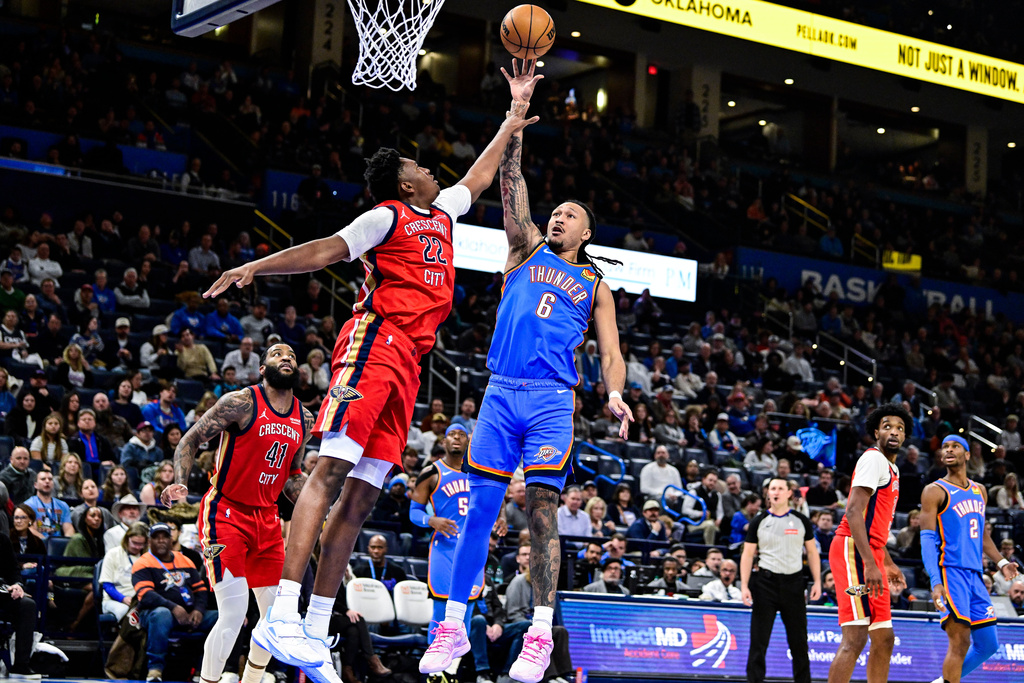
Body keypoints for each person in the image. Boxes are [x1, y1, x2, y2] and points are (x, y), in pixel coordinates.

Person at [206, 62, 539, 683]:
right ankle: (282, 610)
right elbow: (325, 252)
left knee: (360, 498)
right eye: (417, 166)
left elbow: (480, 175)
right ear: (403, 183)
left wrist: (513, 114)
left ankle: (314, 624)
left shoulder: (441, 215)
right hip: (374, 345)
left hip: (410, 362)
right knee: (330, 470)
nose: (429, 168)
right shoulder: (386, 214)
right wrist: (257, 267)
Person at [421, 61, 634, 683]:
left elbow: (611, 353)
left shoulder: (596, 284)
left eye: (572, 213)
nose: (560, 216)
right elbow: (510, 181)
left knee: (541, 510)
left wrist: (615, 394)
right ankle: (451, 626)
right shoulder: (525, 248)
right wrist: (517, 114)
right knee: (479, 512)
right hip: (499, 394)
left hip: (550, 399)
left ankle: (540, 633)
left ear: (588, 231)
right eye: (557, 210)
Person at [161, 343, 313, 683]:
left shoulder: (304, 417)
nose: (286, 358)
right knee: (233, 612)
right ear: (262, 368)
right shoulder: (241, 402)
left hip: (268, 520)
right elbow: (190, 440)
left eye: (291, 355)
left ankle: (251, 680)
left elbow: (292, 475)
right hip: (225, 513)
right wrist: (180, 482)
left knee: (275, 617)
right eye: (276, 354)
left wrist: (316, 499)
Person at [919, 435, 1020, 683]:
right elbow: (926, 539)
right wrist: (935, 581)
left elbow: (982, 535)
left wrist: (1002, 562)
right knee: (960, 640)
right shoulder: (934, 491)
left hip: (975, 575)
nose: (949, 450)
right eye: (945, 447)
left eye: (955, 446)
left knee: (988, 644)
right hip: (950, 571)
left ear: (967, 455)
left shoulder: (980, 491)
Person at [828, 404, 912, 683]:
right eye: (887, 426)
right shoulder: (873, 459)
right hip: (852, 549)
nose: (894, 432)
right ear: (876, 432)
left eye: (900, 428)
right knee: (856, 637)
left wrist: (886, 562)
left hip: (872, 551)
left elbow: (874, 524)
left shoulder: (893, 468)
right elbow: (853, 513)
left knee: (885, 638)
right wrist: (870, 563)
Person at [410, 423, 497, 648]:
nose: (457, 438)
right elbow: (413, 512)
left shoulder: (480, 471)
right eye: (451, 435)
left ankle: (454, 669)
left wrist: (502, 518)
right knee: (441, 608)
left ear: (468, 441)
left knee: (466, 610)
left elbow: (498, 499)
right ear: (444, 442)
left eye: (461, 435)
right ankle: (434, 672)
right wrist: (431, 520)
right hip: (444, 548)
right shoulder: (431, 472)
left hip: (472, 548)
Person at [740, 477, 821, 683]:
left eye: (780, 488)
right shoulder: (759, 521)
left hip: (794, 584)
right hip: (765, 584)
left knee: (799, 643)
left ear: (788, 494)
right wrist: (744, 585)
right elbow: (748, 555)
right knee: (758, 641)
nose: (775, 492)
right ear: (768, 493)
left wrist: (817, 582)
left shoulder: (801, 520)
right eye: (772, 488)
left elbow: (812, 553)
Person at [133, 522, 219, 682]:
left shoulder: (185, 560)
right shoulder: (143, 562)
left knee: (221, 618)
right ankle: (155, 670)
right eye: (156, 537)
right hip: (154, 613)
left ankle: (204, 671)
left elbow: (200, 590)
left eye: (164, 537)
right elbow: (146, 595)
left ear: (171, 539)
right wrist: (173, 608)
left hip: (189, 613)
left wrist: (199, 610)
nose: (160, 541)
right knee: (161, 614)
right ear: (149, 541)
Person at [0, 528, 39, 676]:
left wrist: (17, 584)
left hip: (2, 591)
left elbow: (13, 570)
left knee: (28, 605)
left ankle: (21, 665)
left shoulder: (2, 539)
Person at [100, 521, 149, 620]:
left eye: (141, 544)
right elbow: (107, 585)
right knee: (128, 612)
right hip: (115, 600)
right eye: (134, 543)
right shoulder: (113, 554)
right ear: (127, 539)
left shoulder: (147, 557)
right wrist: (123, 598)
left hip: (140, 600)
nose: (137, 547)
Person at [23, 469, 73, 538]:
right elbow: (29, 529)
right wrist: (47, 542)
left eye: (50, 479)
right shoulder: (28, 505)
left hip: (58, 544)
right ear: (35, 485)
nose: (47, 481)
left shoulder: (63, 505)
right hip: (38, 544)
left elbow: (68, 529)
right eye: (43, 479)